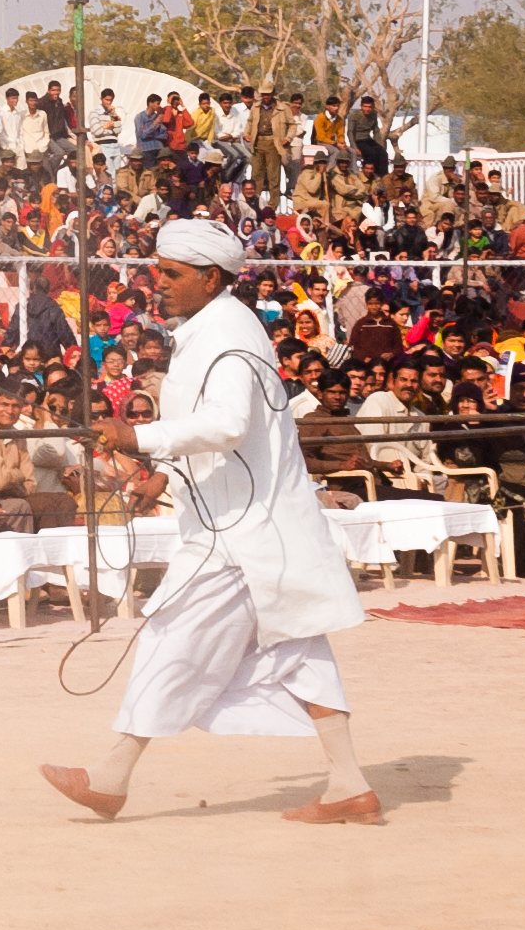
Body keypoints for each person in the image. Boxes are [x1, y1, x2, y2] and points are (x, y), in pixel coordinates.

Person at [41, 220, 377, 826]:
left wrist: (137, 436)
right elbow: (220, 440)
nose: (157, 283)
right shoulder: (216, 328)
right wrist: (164, 477)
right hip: (249, 524)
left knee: (173, 639)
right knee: (301, 654)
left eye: (171, 274)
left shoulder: (224, 334)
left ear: (210, 278)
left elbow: (226, 425)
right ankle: (349, 785)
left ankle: (111, 777)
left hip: (239, 535)